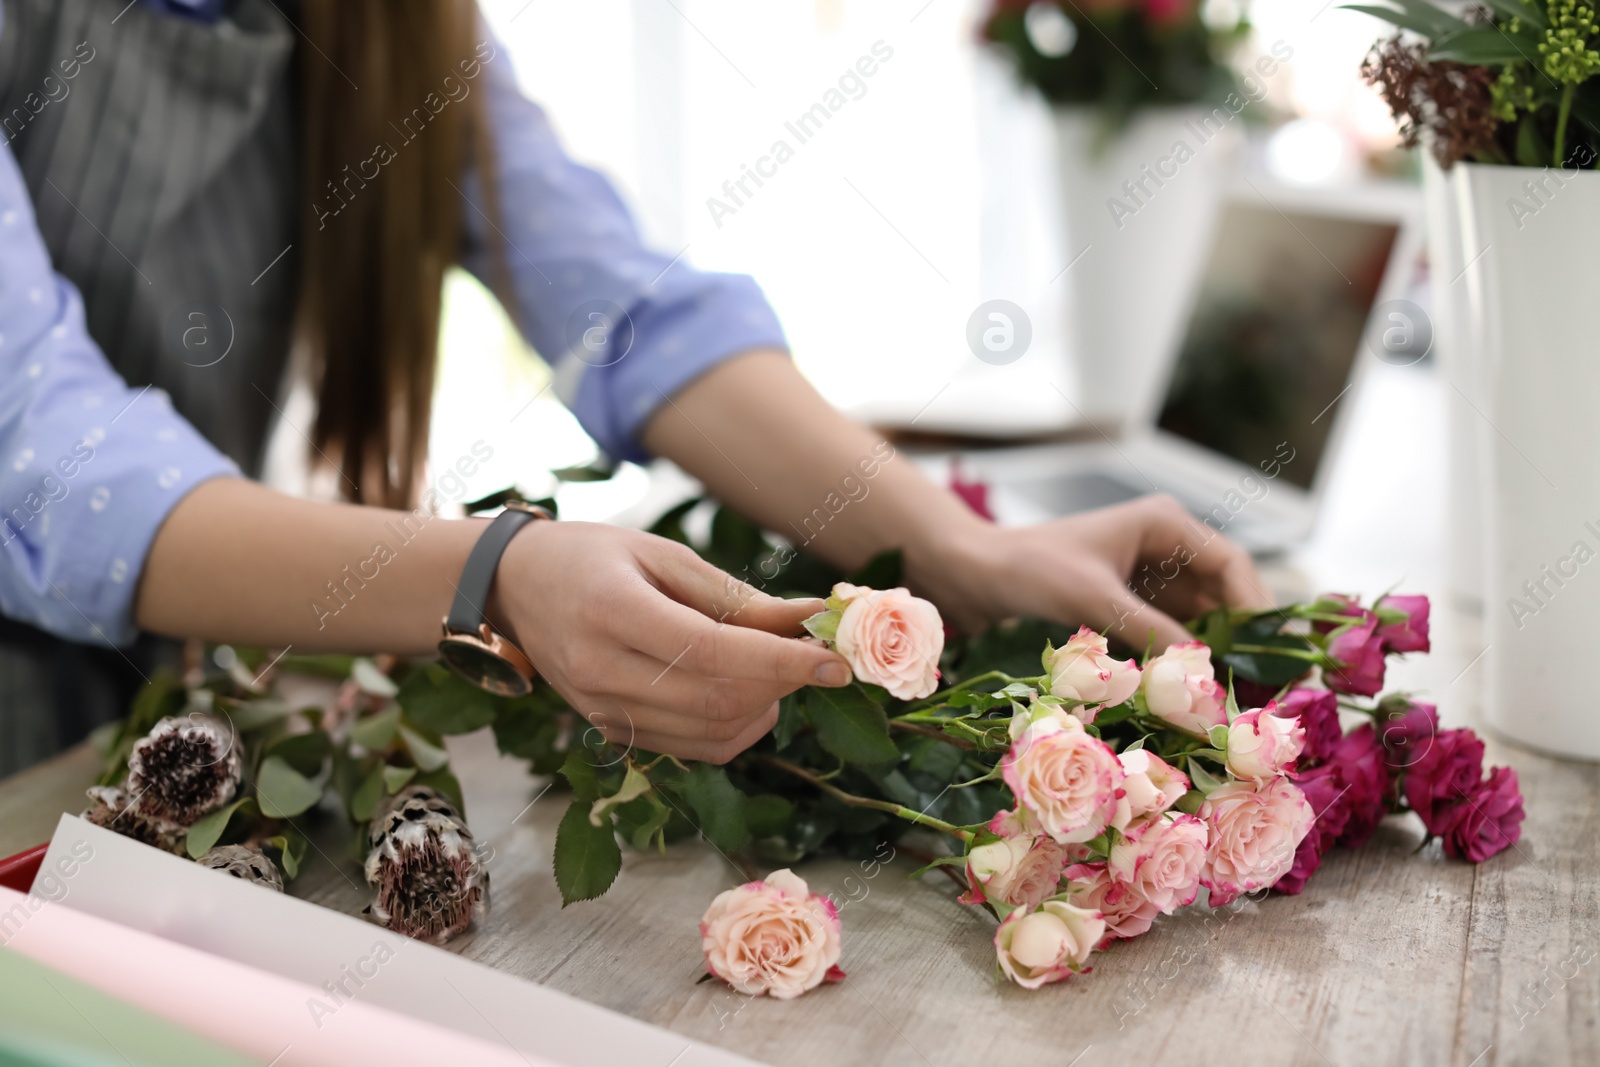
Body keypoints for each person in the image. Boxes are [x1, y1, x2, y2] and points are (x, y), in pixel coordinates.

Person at [0, 0, 1267, 773]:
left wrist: (948, 545)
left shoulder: (392, 23)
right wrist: (493, 575)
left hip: (143, 699)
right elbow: (43, 452)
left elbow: (619, 303)